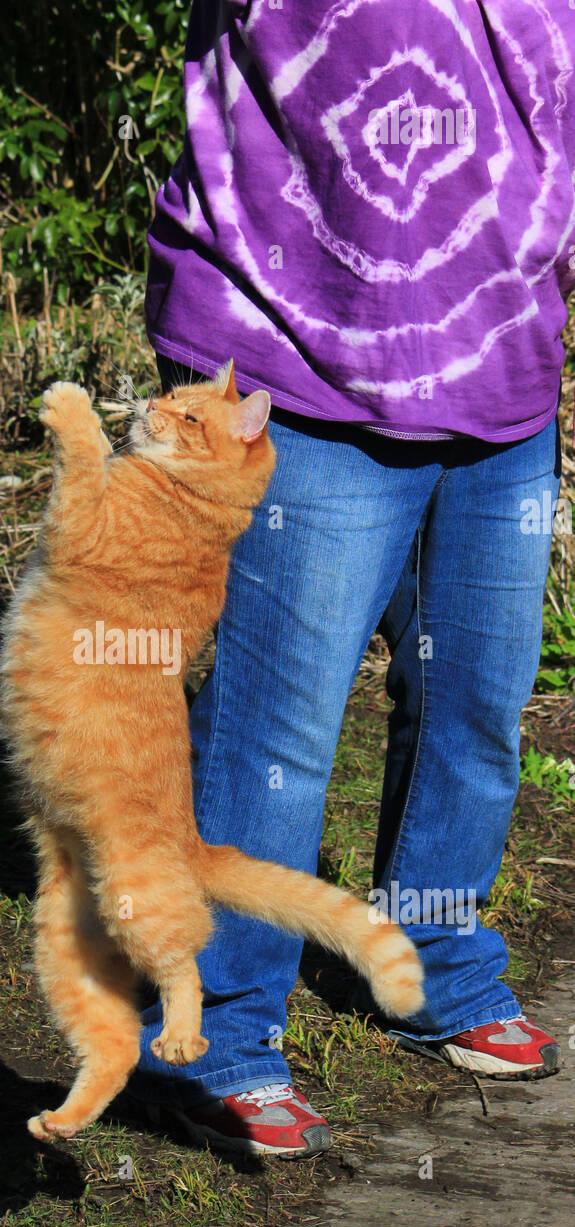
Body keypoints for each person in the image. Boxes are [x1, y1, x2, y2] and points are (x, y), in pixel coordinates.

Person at [132, 0, 574, 1156]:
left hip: (499, 354)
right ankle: (215, 1033)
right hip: (305, 348)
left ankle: (433, 955)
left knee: (474, 699)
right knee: (276, 732)